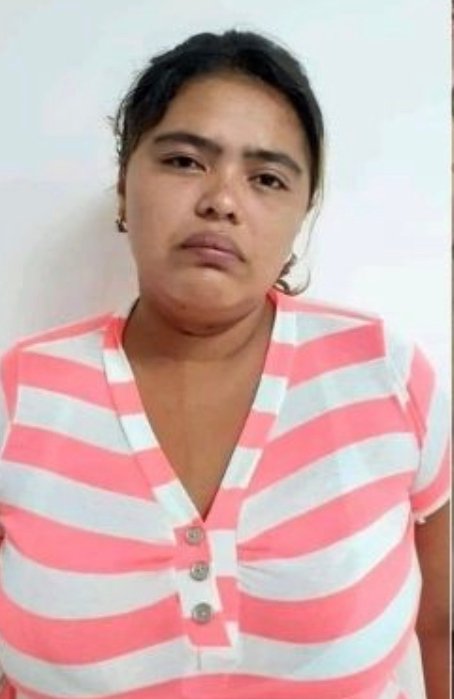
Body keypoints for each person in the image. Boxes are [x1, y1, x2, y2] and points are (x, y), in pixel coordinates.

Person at [0, 29, 449, 699]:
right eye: (185, 161)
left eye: (267, 178)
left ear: (301, 215)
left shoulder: (386, 376)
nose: (222, 200)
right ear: (124, 186)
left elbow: (442, 624)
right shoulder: (21, 395)